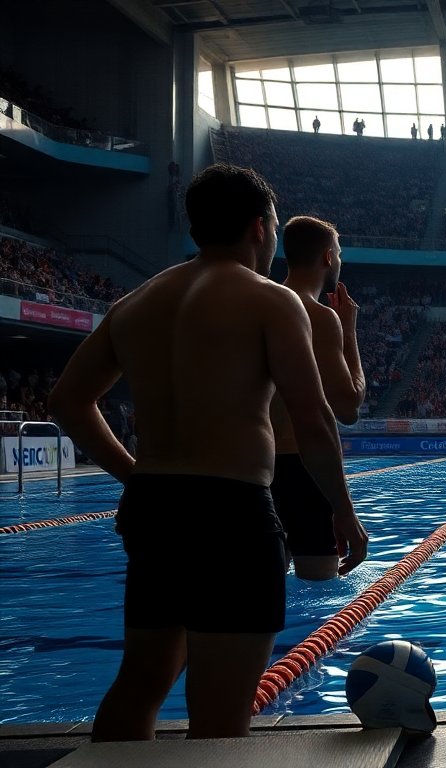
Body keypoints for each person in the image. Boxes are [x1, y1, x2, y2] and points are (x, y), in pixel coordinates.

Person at [46, 165, 367, 741]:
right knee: (220, 716)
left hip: (153, 509)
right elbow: (315, 420)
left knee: (139, 685)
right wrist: (342, 511)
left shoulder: (137, 302)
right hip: (231, 513)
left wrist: (134, 476)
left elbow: (67, 402)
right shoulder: (271, 300)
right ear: (259, 228)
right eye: (272, 228)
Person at [269, 216, 366, 580]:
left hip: (256, 466)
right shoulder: (319, 317)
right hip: (304, 471)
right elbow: (348, 407)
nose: (339, 261)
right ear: (327, 257)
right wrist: (348, 331)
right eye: (338, 254)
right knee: (320, 589)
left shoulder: (261, 304)